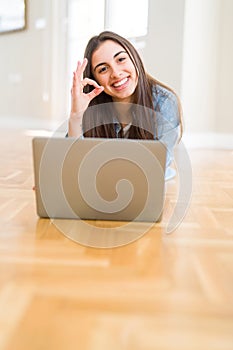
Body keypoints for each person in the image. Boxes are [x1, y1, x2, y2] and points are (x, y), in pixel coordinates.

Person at [68, 31, 183, 180]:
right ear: (94, 79)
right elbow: (73, 161)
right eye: (103, 69)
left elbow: (155, 168)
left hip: (147, 184)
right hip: (103, 185)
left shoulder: (164, 102)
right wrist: (76, 116)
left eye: (121, 59)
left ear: (135, 58)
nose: (116, 73)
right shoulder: (92, 105)